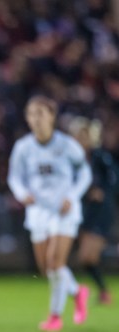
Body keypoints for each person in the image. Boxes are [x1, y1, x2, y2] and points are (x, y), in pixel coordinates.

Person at [7, 95, 92, 332]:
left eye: (41, 114)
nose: (36, 119)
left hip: (64, 210)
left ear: (52, 117)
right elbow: (14, 177)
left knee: (55, 263)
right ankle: (77, 291)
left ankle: (55, 316)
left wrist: (72, 196)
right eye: (31, 114)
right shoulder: (23, 147)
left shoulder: (67, 145)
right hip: (38, 211)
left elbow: (84, 173)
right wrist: (22, 193)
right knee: (47, 269)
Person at [70, 117, 116, 305]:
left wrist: (102, 191)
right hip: (83, 210)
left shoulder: (100, 156)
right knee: (86, 258)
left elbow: (114, 179)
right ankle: (104, 291)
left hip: (101, 210)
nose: (82, 139)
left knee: (87, 255)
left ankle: (104, 290)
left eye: (85, 135)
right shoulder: (74, 160)